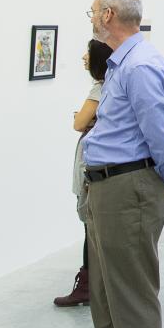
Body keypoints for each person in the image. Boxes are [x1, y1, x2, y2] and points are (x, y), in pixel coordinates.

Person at [81, 0, 164, 328]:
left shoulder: (139, 65)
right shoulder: (121, 63)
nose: (91, 19)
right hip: (108, 189)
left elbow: (160, 134)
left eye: (92, 12)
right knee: (106, 297)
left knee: (131, 297)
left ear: (108, 15)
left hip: (127, 190)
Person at [54, 39, 114, 308]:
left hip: (94, 162)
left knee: (91, 224)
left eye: (87, 53)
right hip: (103, 161)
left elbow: (79, 122)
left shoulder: (100, 87)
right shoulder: (115, 83)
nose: (83, 58)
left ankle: (89, 286)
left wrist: (84, 117)